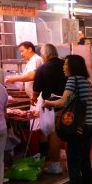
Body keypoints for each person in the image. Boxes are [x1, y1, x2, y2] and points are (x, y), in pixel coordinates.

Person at [42, 55, 92, 184]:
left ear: (73, 66)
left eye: (66, 64)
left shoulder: (73, 80)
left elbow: (63, 101)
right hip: (87, 126)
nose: (63, 67)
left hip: (75, 128)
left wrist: (48, 102)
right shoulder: (87, 83)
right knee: (85, 162)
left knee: (73, 162)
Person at [33, 44, 67, 175]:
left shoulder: (42, 68)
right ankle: (70, 164)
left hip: (50, 105)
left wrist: (33, 99)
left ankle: (55, 164)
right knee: (68, 134)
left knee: (52, 134)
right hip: (67, 105)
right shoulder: (66, 65)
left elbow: (36, 92)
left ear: (45, 54)